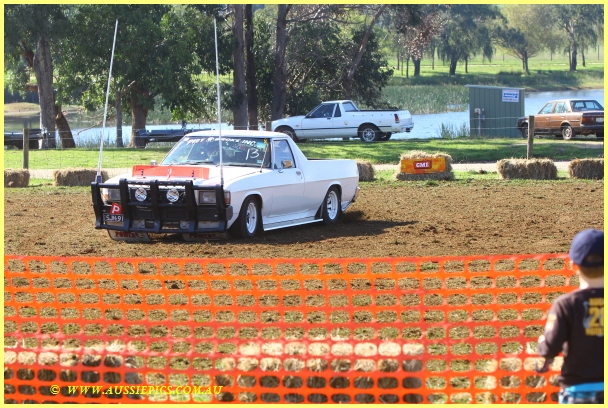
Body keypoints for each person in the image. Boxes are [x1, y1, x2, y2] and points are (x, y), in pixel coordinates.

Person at [536, 229, 604, 404]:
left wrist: (543, 347)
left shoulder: (566, 305)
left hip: (578, 391)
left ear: (573, 265)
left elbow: (551, 346)